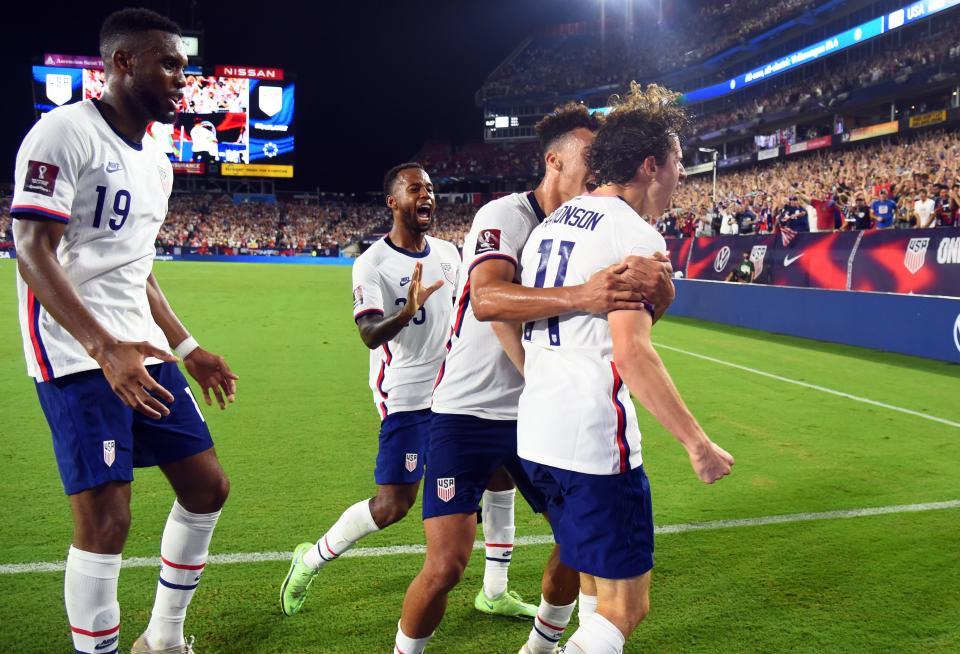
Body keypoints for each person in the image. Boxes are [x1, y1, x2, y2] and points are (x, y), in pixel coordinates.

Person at [393, 103, 676, 654]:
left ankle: (542, 646)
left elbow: (606, 329)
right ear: (553, 160)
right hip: (466, 409)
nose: (601, 167)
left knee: (578, 545)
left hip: (537, 413)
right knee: (447, 564)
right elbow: (488, 300)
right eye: (590, 156)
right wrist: (583, 295)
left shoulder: (589, 225)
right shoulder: (506, 214)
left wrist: (656, 298)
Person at [11, 9, 237, 654]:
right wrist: (102, 347)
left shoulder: (159, 160)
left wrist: (188, 347)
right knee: (106, 521)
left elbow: (140, 269)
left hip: (142, 349)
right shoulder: (63, 133)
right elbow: (30, 246)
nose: (181, 79)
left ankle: (162, 638)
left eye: (184, 67)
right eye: (168, 64)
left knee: (207, 487)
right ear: (122, 63)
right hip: (75, 352)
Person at [516, 82, 734, 654]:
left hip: (537, 434)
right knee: (626, 608)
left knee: (592, 585)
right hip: (592, 443)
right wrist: (697, 443)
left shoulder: (551, 226)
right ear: (649, 165)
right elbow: (631, 353)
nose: (683, 175)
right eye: (679, 162)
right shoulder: (633, 233)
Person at [279, 163, 466, 615]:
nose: (428, 195)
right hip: (405, 395)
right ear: (393, 201)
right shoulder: (372, 263)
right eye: (416, 188)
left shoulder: (448, 253)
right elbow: (369, 332)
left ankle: (495, 588)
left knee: (501, 470)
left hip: (454, 392)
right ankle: (310, 559)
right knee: (392, 505)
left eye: (432, 188)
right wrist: (406, 312)